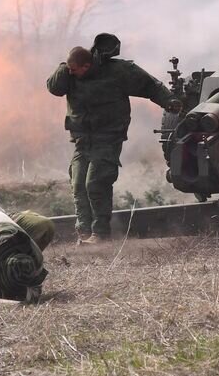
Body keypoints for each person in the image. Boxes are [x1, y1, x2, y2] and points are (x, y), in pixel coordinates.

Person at [46, 33, 181, 243]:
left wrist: (169, 101)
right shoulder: (69, 75)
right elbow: (54, 88)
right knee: (78, 184)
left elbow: (149, 85)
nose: (71, 74)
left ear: (87, 66)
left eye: (74, 70)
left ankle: (100, 234)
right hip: (82, 139)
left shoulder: (117, 72)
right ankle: (84, 232)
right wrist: (65, 68)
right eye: (69, 70)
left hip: (108, 137)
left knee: (96, 183)